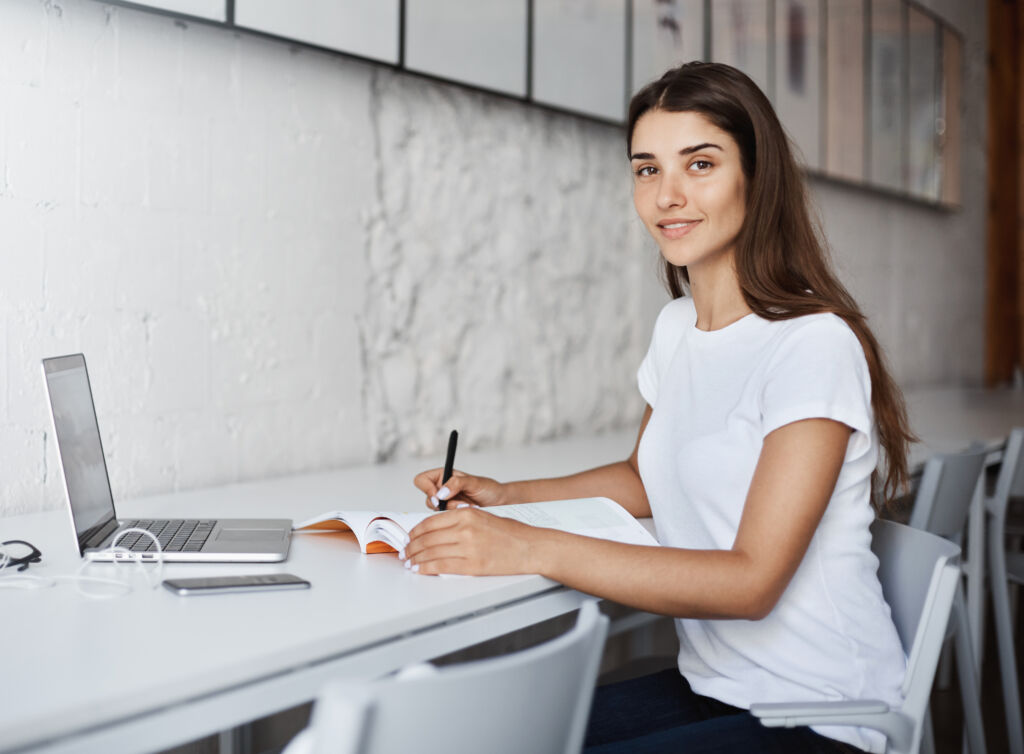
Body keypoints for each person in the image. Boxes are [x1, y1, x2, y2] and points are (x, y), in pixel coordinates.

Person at [402, 62, 915, 754]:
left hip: (822, 712)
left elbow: (751, 582)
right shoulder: (677, 328)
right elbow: (646, 478)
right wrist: (506, 497)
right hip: (714, 685)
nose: (668, 195)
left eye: (699, 164)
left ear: (755, 177)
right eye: (647, 169)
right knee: (483, 739)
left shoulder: (812, 345)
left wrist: (526, 545)